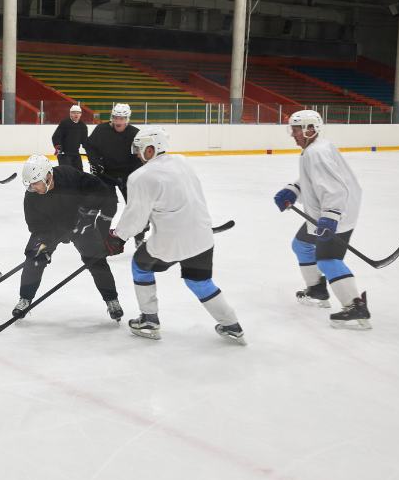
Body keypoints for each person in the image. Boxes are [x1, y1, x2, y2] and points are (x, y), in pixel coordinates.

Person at [109, 126, 246, 345]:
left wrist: (117, 236)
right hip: (201, 235)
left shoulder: (140, 177)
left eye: (139, 148)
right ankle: (232, 326)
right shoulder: (182, 161)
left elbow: (135, 218)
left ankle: (149, 321)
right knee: (199, 281)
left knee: (140, 265)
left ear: (152, 149)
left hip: (171, 241)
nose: (136, 153)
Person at [273, 110, 369, 329]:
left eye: (295, 130)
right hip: (327, 213)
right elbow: (314, 178)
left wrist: (331, 215)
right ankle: (317, 288)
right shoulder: (317, 148)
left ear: (309, 129)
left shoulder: (316, 152)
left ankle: (355, 305)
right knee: (301, 244)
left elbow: (334, 188)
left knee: (328, 259)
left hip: (336, 214)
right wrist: (294, 190)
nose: (292, 135)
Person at [15, 155, 125, 322]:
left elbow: (99, 189)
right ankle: (25, 299)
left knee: (97, 261)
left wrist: (89, 213)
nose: (32, 187)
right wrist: (41, 242)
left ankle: (112, 300)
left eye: (35, 183)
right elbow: (37, 225)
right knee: (34, 259)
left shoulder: (69, 175)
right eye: (29, 183)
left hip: (80, 224)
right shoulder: (31, 196)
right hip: (51, 229)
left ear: (48, 177)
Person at [85, 103, 146, 247]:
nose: (119, 121)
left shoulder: (135, 133)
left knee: (135, 208)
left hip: (128, 177)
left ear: (127, 119)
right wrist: (94, 162)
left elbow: (139, 156)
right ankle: (101, 239)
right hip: (106, 175)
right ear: (112, 118)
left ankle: (140, 238)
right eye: (116, 118)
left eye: (122, 118)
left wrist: (137, 172)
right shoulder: (101, 130)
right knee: (109, 207)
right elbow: (89, 146)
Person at [51, 104, 88, 171]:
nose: (76, 115)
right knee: (66, 172)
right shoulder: (65, 123)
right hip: (65, 153)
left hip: (75, 153)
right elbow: (56, 136)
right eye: (74, 113)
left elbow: (84, 141)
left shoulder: (83, 126)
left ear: (80, 114)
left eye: (78, 113)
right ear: (70, 114)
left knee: (79, 172)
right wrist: (58, 147)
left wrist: (90, 150)